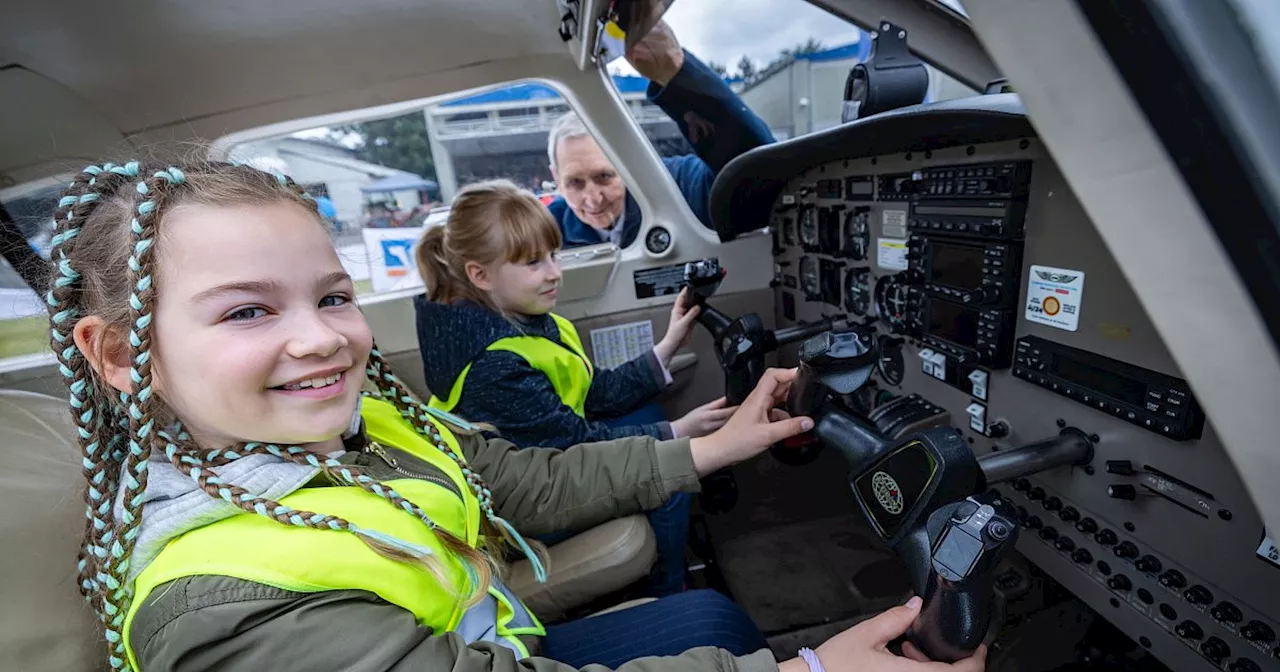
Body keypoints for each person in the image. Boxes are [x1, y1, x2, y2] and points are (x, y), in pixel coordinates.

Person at [47, 158, 985, 672]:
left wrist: (709, 448)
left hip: (494, 642)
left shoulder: (354, 427)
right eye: (249, 310)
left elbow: (520, 478)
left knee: (709, 618)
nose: (323, 340)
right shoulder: (228, 613)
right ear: (127, 356)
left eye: (333, 298)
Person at [414, 179, 733, 595]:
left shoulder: (523, 319)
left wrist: (666, 348)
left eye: (553, 255)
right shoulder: (491, 366)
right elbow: (571, 446)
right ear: (480, 275)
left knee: (652, 419)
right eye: (533, 263)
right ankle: (670, 588)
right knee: (668, 478)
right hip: (519, 513)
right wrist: (681, 432)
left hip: (549, 464)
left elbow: (591, 391)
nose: (554, 273)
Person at [548, 20, 775, 248]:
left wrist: (676, 73)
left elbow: (755, 175)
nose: (593, 199)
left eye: (604, 177)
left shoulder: (678, 186)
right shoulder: (546, 230)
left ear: (629, 163)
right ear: (556, 178)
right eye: (574, 183)